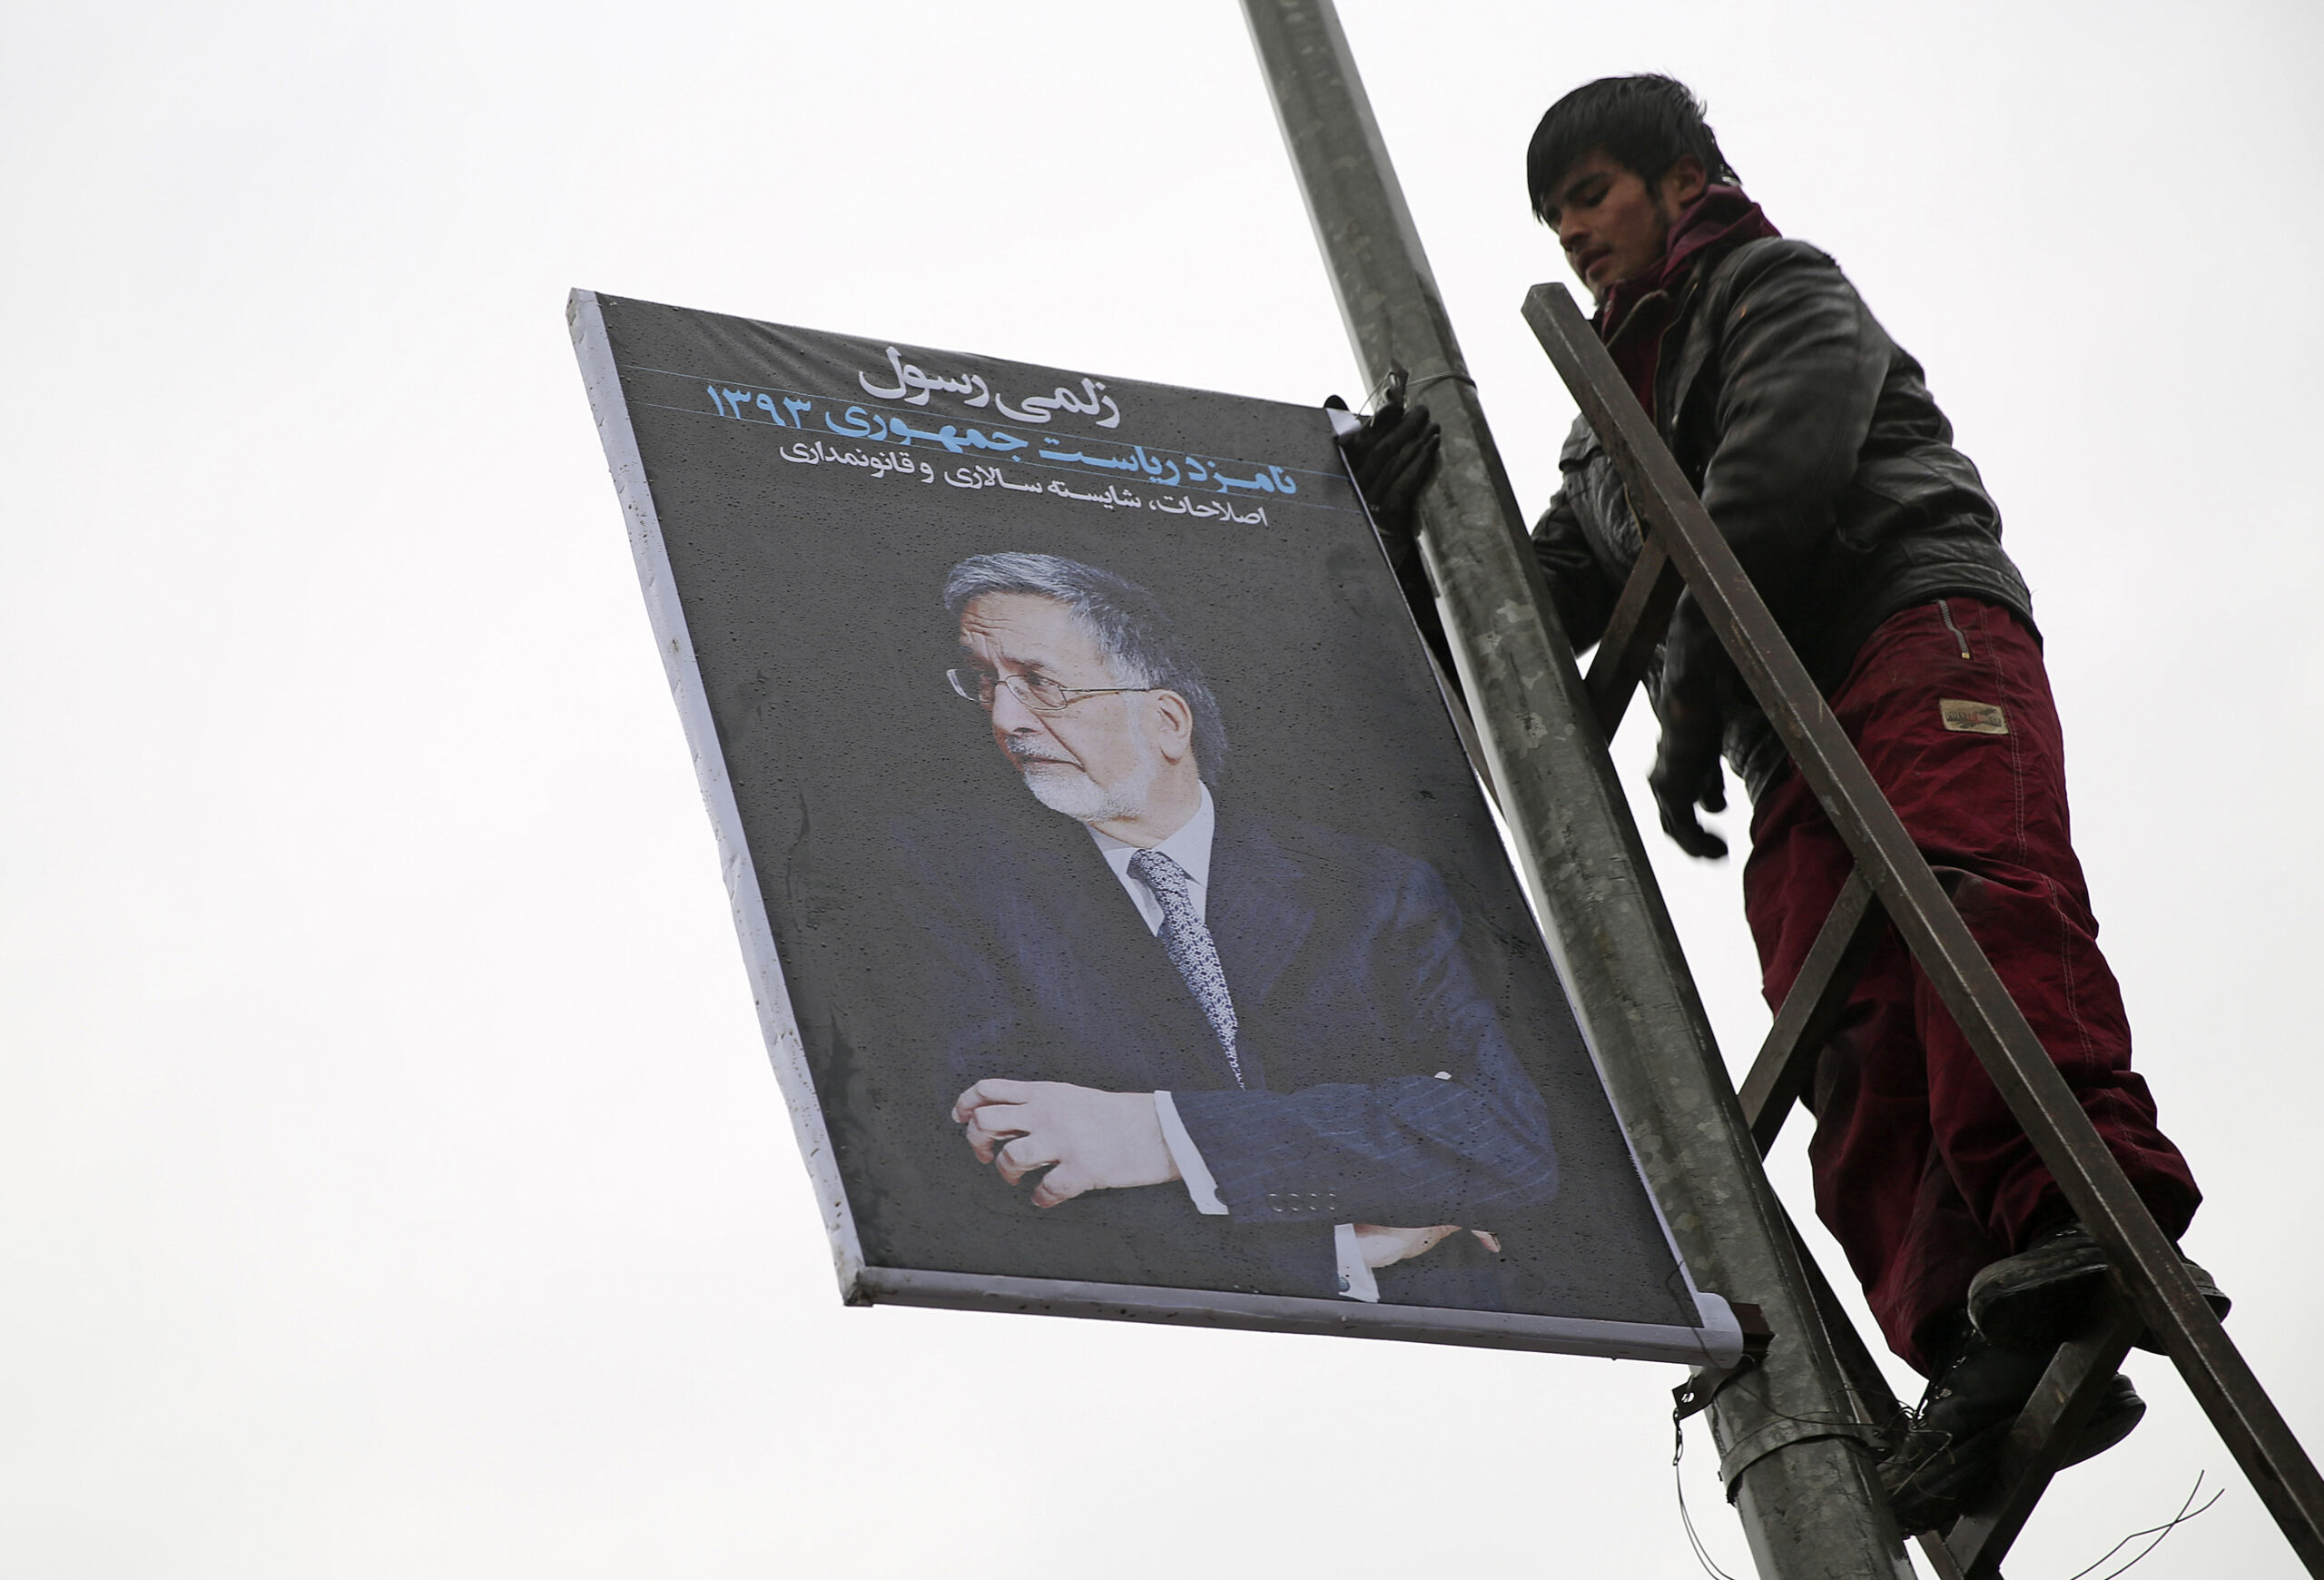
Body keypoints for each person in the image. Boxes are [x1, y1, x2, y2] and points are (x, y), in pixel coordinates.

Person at [1342, 74, 2222, 1529]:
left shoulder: (1773, 285)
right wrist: (1407, 532)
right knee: (1850, 1038)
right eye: (1554, 213)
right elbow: (1528, 610)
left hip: (1904, 632)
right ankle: (1976, 1347)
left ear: (1682, 182)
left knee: (1968, 899)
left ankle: (2081, 1214)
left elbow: (1775, 472)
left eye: (1592, 195)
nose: (1573, 234)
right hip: (1784, 742)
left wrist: (1687, 705)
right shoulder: (1598, 439)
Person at [880, 551, 1561, 1308]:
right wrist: (1341, 1245)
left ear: (1167, 721)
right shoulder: (949, 890)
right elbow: (989, 1182)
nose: (1005, 720)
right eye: (985, 684)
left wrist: (1161, 1135)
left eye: (1040, 684)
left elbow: (1504, 1140)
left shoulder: (1373, 890)